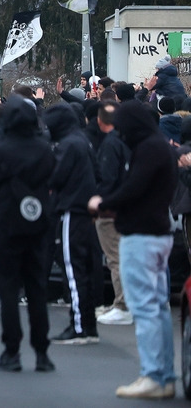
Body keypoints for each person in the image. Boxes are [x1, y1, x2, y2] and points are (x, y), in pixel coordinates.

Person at [89, 100, 177, 399]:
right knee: (158, 308)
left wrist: (103, 203)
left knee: (145, 309)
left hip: (141, 236)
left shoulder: (148, 149)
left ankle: (153, 374)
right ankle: (164, 375)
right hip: (157, 233)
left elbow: (133, 187)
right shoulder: (158, 146)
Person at [0, 98, 57, 373]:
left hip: (7, 223)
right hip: (38, 225)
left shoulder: (3, 150)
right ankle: (42, 353)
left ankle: (12, 350)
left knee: (8, 290)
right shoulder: (44, 149)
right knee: (36, 289)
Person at [42, 103, 100, 346]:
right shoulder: (83, 141)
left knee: (73, 269)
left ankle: (77, 326)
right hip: (85, 209)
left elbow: (56, 176)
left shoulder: (67, 145)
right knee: (83, 268)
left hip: (71, 209)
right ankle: (88, 325)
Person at [93, 101, 132, 326]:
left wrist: (101, 204)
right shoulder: (126, 142)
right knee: (121, 256)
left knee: (115, 258)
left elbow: (106, 177)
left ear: (99, 121)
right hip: (124, 207)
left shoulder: (109, 144)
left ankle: (122, 304)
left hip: (110, 210)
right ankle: (122, 302)